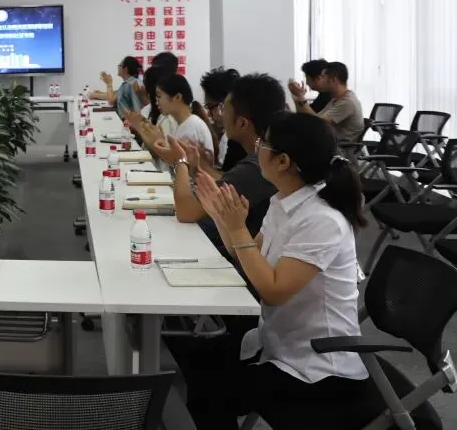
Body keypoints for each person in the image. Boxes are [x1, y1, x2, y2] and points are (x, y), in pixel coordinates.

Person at [168, 112, 383, 430]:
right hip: (281, 342)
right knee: (195, 359)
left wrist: (237, 229)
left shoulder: (322, 220)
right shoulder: (284, 200)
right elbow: (249, 258)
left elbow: (272, 290)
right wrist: (223, 219)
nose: (257, 149)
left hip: (318, 368)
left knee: (210, 394)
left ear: (283, 161)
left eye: (263, 144)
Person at [153, 73, 286, 244]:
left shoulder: (257, 167)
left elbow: (187, 211)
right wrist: (195, 169)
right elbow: (223, 184)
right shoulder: (257, 159)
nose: (220, 115)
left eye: (225, 110)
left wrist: (180, 161)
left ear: (242, 123)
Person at [290, 61, 364, 145]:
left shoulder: (347, 102)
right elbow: (314, 118)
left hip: (339, 148)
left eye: (323, 78)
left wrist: (300, 97)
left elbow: (319, 124)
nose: (320, 80)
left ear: (333, 80)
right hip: (327, 143)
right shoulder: (336, 99)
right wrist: (297, 97)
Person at [199, 66, 246, 171]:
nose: (209, 114)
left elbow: (229, 179)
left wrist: (202, 164)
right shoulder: (229, 136)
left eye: (210, 107)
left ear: (223, 106)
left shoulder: (239, 138)